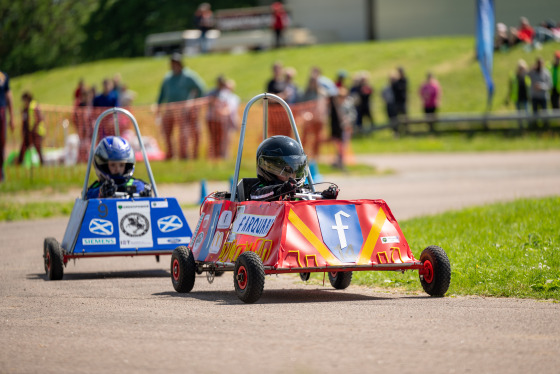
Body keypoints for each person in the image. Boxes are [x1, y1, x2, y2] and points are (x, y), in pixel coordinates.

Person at [249, 135, 338, 201]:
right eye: (286, 170)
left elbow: (309, 195)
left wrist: (324, 196)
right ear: (268, 169)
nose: (292, 175)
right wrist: (280, 190)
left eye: (295, 168)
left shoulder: (297, 190)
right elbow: (259, 195)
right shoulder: (258, 190)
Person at [157, 53, 205, 159]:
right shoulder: (168, 78)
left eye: (176, 63)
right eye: (172, 63)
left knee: (183, 134)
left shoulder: (188, 76)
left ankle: (184, 155)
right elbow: (162, 94)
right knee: (167, 132)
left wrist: (194, 103)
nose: (174, 65)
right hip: (169, 109)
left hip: (184, 110)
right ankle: (170, 154)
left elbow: (201, 89)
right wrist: (158, 107)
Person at [86, 136, 151, 199]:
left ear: (127, 165)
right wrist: (101, 193)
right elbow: (89, 195)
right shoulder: (97, 187)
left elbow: (142, 189)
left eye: (121, 165)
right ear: (104, 166)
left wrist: (144, 195)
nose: (117, 169)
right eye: (113, 165)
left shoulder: (136, 184)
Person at [17, 92, 45, 165]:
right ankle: (19, 163)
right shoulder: (25, 109)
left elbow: (39, 118)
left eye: (24, 100)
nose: (23, 102)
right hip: (28, 133)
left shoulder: (34, 106)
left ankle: (42, 164)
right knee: (23, 148)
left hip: (36, 132)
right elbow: (25, 121)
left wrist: (33, 129)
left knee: (38, 149)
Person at [505, 59, 531, 129]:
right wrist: (508, 98)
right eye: (520, 68)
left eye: (522, 68)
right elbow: (510, 88)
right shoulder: (514, 76)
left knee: (527, 112)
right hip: (517, 98)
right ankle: (521, 127)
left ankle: (529, 126)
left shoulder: (527, 76)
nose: (521, 69)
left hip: (525, 98)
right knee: (519, 114)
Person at [528, 57, 552, 130]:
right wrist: (531, 68)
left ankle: (545, 126)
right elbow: (526, 74)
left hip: (543, 96)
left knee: (544, 112)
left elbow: (550, 85)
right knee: (534, 112)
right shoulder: (533, 72)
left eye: (541, 63)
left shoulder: (547, 73)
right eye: (538, 63)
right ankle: (534, 126)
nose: (539, 65)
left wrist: (541, 87)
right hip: (534, 96)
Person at [0, 70, 14, 182]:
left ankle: (1, 171)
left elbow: (9, 96)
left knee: (2, 143)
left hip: (2, 112)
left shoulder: (3, 76)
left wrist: (12, 117)